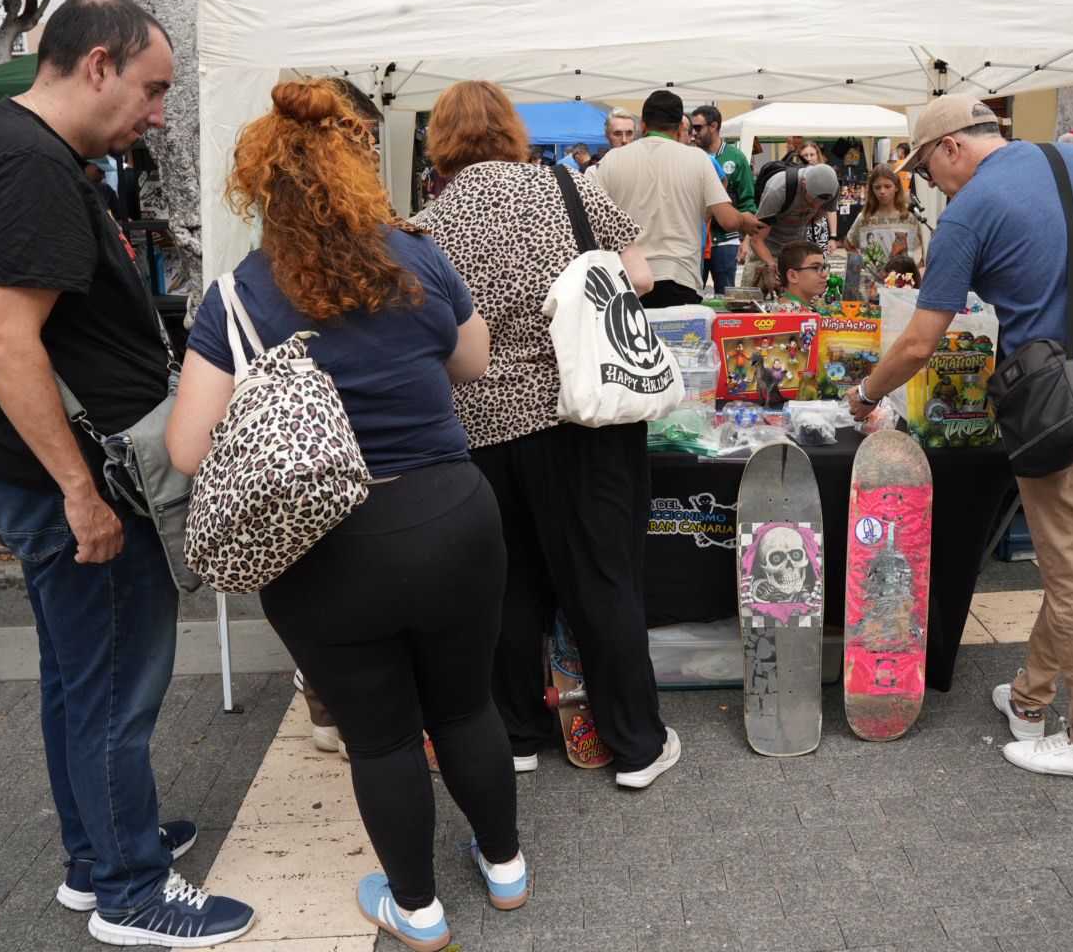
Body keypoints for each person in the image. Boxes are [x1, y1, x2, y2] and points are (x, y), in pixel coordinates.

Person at [0, 0, 254, 948]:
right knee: (114, 682)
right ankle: (129, 888)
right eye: (153, 89)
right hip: (76, 481)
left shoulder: (8, 143)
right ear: (99, 64)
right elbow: (2, 342)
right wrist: (80, 491)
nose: (157, 112)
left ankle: (97, 854)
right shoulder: (33, 168)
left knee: (80, 676)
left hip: (42, 469)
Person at [167, 78, 515, 952]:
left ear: (261, 187)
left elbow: (184, 449)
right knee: (467, 707)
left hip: (328, 550)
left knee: (381, 734)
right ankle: (505, 868)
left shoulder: (238, 298)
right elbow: (470, 363)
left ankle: (418, 910)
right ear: (359, 170)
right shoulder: (420, 255)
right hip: (453, 519)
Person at [851, 94, 1073, 783]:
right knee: (1071, 561)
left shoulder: (969, 212)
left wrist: (864, 393)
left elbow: (921, 341)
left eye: (928, 170)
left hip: (1062, 411)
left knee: (1072, 577)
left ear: (951, 147)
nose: (931, 186)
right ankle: (1029, 700)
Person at [413, 80, 683, 790]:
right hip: (581, 414)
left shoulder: (428, 224)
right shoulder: (569, 188)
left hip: (478, 426)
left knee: (504, 588)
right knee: (602, 580)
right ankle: (635, 745)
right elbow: (643, 278)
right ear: (511, 129)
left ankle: (518, 735)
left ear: (440, 142)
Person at [595, 89, 765, 308]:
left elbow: (594, 220)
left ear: (643, 125)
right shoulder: (698, 159)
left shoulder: (611, 160)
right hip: (680, 278)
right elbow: (728, 220)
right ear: (679, 128)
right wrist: (745, 221)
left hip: (628, 278)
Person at [690, 104, 757, 295]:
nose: (694, 133)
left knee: (726, 296)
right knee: (693, 294)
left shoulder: (735, 158)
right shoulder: (691, 156)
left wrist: (747, 241)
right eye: (691, 128)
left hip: (726, 241)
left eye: (698, 127)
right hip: (696, 240)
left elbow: (748, 201)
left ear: (713, 126)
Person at [743, 161, 840, 288]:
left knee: (795, 303)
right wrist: (773, 266)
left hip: (794, 252)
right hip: (765, 249)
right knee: (752, 300)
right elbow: (757, 240)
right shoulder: (779, 189)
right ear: (804, 185)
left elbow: (817, 216)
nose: (816, 205)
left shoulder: (832, 189)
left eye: (821, 202)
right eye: (812, 200)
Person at [843, 165, 924, 298]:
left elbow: (924, 250)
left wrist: (917, 271)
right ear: (872, 189)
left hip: (905, 287)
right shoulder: (865, 217)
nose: (882, 191)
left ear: (897, 187)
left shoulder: (910, 216)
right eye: (877, 187)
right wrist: (863, 262)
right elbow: (848, 243)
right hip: (876, 287)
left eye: (887, 186)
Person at [775, 240, 827, 310]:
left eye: (823, 267)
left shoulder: (783, 302)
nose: (825, 274)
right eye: (816, 268)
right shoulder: (795, 315)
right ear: (792, 276)